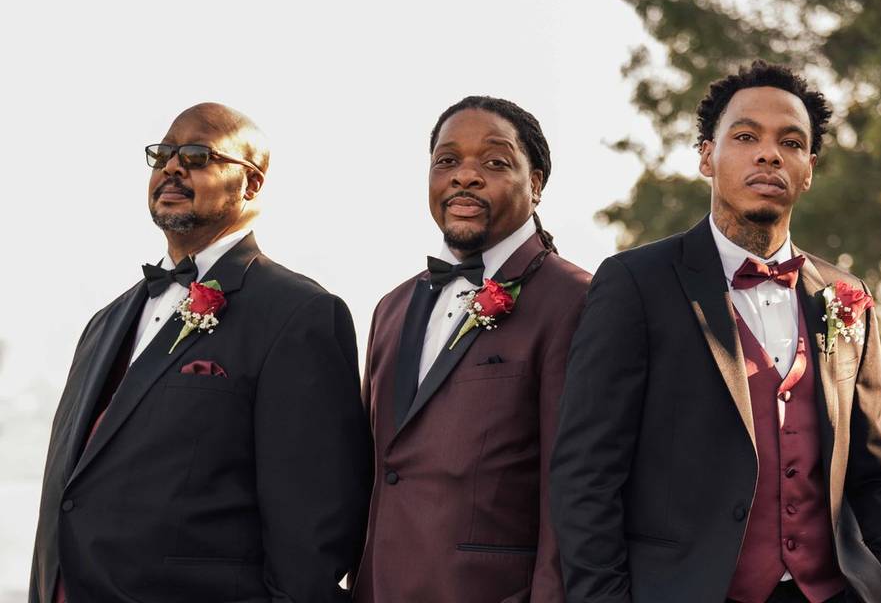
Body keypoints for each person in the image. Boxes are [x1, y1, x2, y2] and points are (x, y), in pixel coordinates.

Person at [551, 61, 881, 603]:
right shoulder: (634, 283)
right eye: (745, 136)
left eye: (790, 142)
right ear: (705, 156)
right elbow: (586, 475)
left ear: (808, 168)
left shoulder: (844, 294)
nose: (769, 153)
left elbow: (874, 470)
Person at [29, 103, 372, 603]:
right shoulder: (105, 322)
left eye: (196, 154)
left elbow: (312, 534)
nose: (172, 167)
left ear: (251, 184)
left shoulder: (300, 314)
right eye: (162, 155)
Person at [352, 96, 591, 603]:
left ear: (538, 183)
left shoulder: (575, 299)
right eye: (447, 161)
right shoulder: (390, 309)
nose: (465, 176)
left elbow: (573, 488)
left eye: (495, 162)